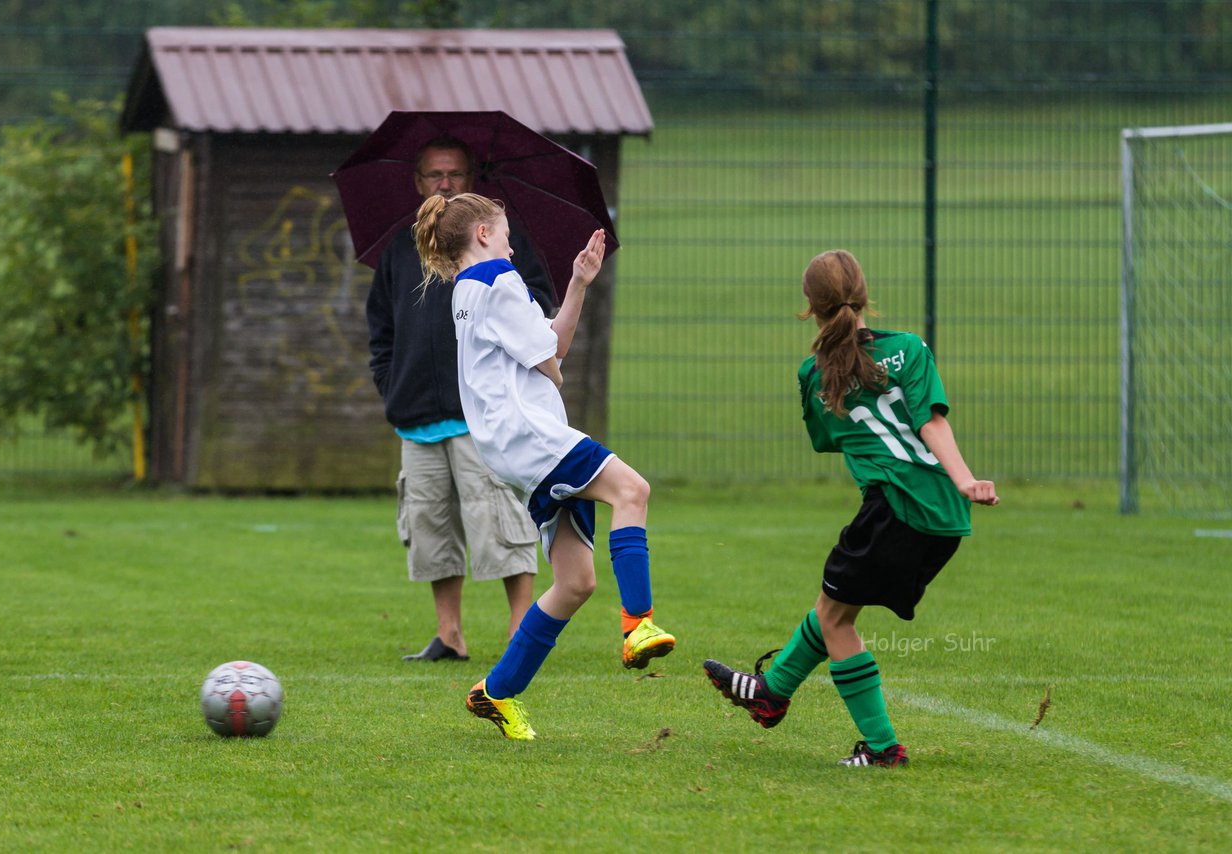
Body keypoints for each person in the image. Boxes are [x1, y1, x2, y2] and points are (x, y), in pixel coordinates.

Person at [703, 249, 999, 767]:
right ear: (864, 295)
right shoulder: (909, 349)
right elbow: (932, 422)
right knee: (835, 604)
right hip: (946, 514)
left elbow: (827, 439)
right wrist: (966, 480)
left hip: (893, 508)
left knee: (837, 620)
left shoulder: (813, 375)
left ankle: (882, 748)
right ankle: (771, 692)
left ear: (810, 309)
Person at [412, 191, 676, 740]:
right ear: (483, 233)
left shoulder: (468, 290)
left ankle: (496, 692)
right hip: (530, 434)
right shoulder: (498, 282)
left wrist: (578, 282)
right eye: (506, 233)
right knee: (633, 490)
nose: (512, 245)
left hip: (509, 447)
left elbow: (552, 347)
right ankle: (638, 626)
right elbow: (551, 363)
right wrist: (551, 368)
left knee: (575, 582)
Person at [366, 136, 555, 663]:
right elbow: (380, 331)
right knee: (430, 530)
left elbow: (537, 308)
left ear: (472, 181)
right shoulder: (399, 252)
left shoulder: (497, 248)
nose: (444, 183)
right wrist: (392, 383)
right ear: (418, 183)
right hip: (417, 420)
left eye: (454, 174)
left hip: (483, 418)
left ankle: (521, 631)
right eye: (433, 175)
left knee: (500, 522)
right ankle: (449, 635)